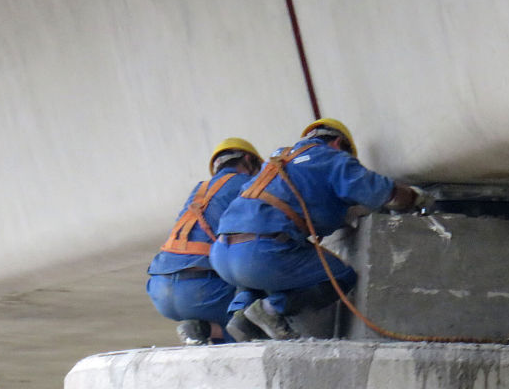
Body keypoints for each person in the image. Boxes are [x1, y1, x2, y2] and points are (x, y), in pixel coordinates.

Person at [211, 118, 431, 341]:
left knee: (258, 277)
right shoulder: (331, 158)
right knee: (340, 276)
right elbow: (381, 192)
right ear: (338, 143)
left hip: (222, 255)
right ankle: (269, 310)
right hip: (261, 253)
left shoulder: (277, 160)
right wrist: (415, 197)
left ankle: (241, 315)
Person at [146, 138, 263, 345]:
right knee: (255, 321)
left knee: (230, 326)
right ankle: (205, 329)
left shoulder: (199, 191)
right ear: (248, 159)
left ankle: (203, 330)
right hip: (202, 290)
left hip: (160, 289)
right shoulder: (247, 185)